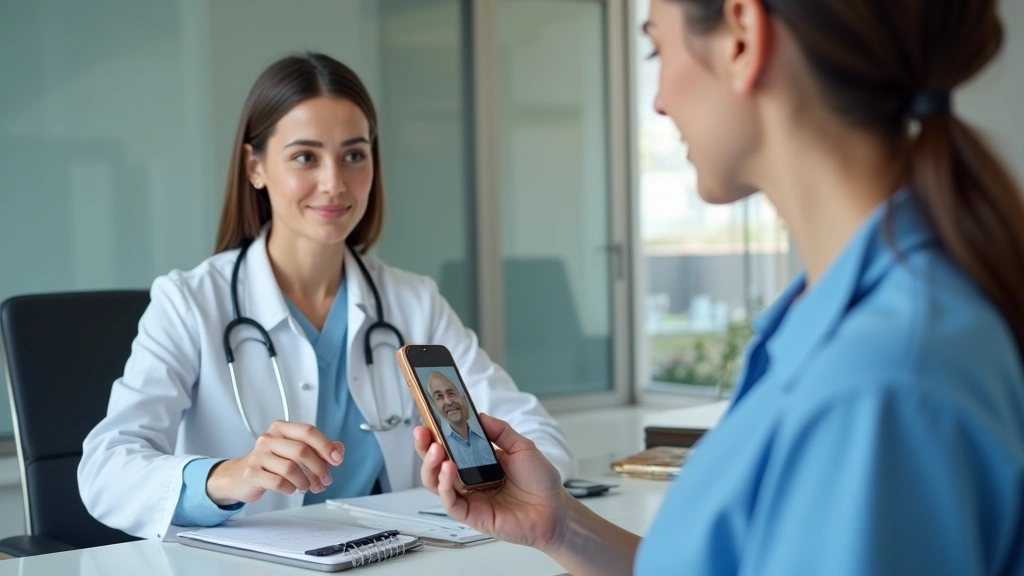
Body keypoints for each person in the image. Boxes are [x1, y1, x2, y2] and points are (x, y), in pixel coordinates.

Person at [416, 0, 1024, 573]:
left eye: (656, 52)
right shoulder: (835, 323)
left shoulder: (880, 382)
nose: (656, 102)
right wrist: (560, 526)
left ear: (741, 35)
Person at [77, 52, 574, 541]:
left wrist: (487, 477)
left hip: (392, 557)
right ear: (255, 166)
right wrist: (230, 475)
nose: (334, 183)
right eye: (305, 157)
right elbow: (105, 470)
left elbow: (535, 435)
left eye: (354, 155)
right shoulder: (189, 302)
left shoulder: (413, 301)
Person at [426, 372, 497, 468]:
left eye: (451, 393)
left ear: (464, 399)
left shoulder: (484, 438)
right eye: (439, 397)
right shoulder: (442, 447)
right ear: (435, 406)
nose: (448, 401)